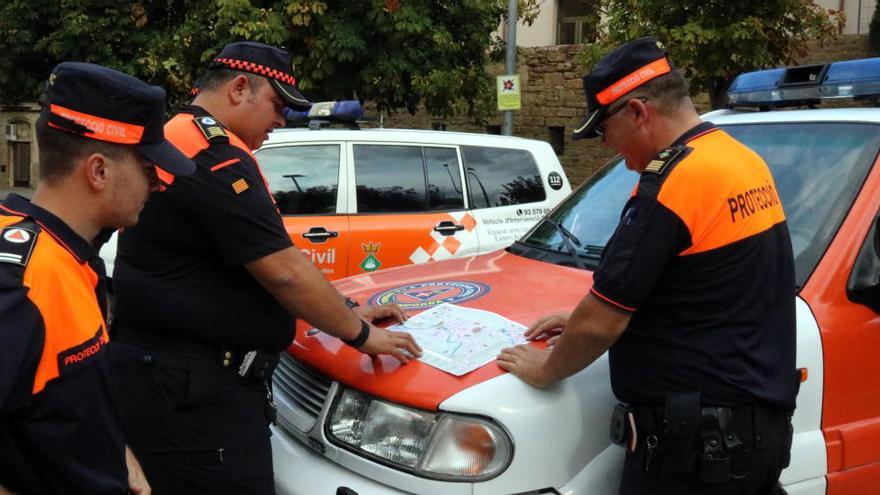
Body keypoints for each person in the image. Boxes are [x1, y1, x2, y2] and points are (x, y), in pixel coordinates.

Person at [109, 41, 422, 494]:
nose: (281, 121)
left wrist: (344, 307)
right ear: (239, 88)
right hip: (194, 394)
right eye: (277, 105)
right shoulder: (215, 156)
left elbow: (243, 269)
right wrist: (361, 334)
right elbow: (284, 271)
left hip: (166, 377)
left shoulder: (180, 134)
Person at [497, 37, 798, 495]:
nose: (608, 147)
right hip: (751, 436)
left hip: (696, 454)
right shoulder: (739, 160)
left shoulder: (674, 184)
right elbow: (706, 287)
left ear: (638, 112)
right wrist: (577, 317)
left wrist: (545, 369)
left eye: (604, 130)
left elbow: (600, 324)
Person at [0, 62, 195, 494]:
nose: (159, 184)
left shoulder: (69, 255)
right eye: (149, 168)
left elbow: (64, 406)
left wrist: (118, 456)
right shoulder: (21, 281)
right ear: (99, 171)